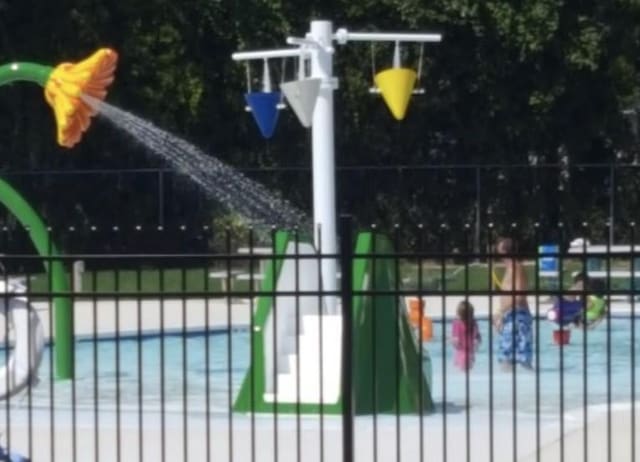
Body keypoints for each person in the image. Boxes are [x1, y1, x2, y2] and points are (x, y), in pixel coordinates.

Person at [493, 237, 533, 370]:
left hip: (517, 317)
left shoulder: (516, 268)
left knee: (518, 360)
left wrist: (499, 312)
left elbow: (519, 295)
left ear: (504, 250)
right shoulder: (510, 269)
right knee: (506, 358)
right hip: (510, 316)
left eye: (498, 248)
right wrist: (501, 315)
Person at [451, 300, 481, 370]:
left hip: (462, 352)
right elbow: (477, 338)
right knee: (467, 369)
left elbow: (455, 340)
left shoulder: (457, 323)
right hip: (467, 351)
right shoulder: (472, 323)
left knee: (462, 369)